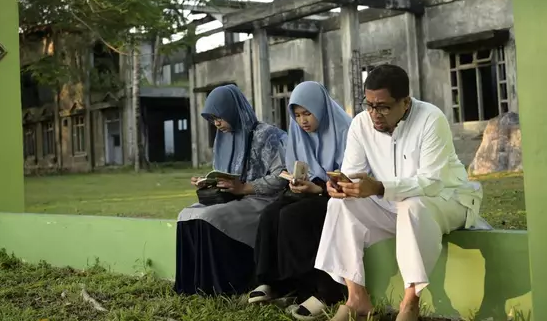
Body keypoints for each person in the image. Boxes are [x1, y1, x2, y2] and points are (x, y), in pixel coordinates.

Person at [315, 64, 489, 321]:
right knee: (339, 205)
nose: (374, 113)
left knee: (413, 204)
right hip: (394, 205)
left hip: (447, 200)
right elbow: (353, 172)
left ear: (405, 102)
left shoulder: (431, 119)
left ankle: (410, 302)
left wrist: (380, 187)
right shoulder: (361, 124)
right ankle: (356, 298)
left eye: (383, 106)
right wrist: (343, 185)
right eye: (369, 105)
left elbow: (431, 182)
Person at [248, 81, 351, 319]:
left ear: (321, 109)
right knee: (271, 214)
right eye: (297, 115)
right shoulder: (298, 132)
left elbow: (348, 177)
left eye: (307, 113)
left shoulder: (346, 130)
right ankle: (276, 283)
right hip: (309, 191)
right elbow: (297, 166)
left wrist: (317, 189)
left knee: (294, 216)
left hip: (339, 196)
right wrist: (296, 182)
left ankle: (325, 290)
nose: (302, 121)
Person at [174, 84, 288, 296]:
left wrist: (245, 187)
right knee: (186, 215)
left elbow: (281, 176)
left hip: (262, 199)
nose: (216, 124)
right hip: (232, 198)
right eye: (212, 120)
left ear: (232, 110)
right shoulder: (225, 138)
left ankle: (223, 287)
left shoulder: (270, 136)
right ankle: (193, 286)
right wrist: (210, 182)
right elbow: (226, 174)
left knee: (209, 216)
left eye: (219, 117)